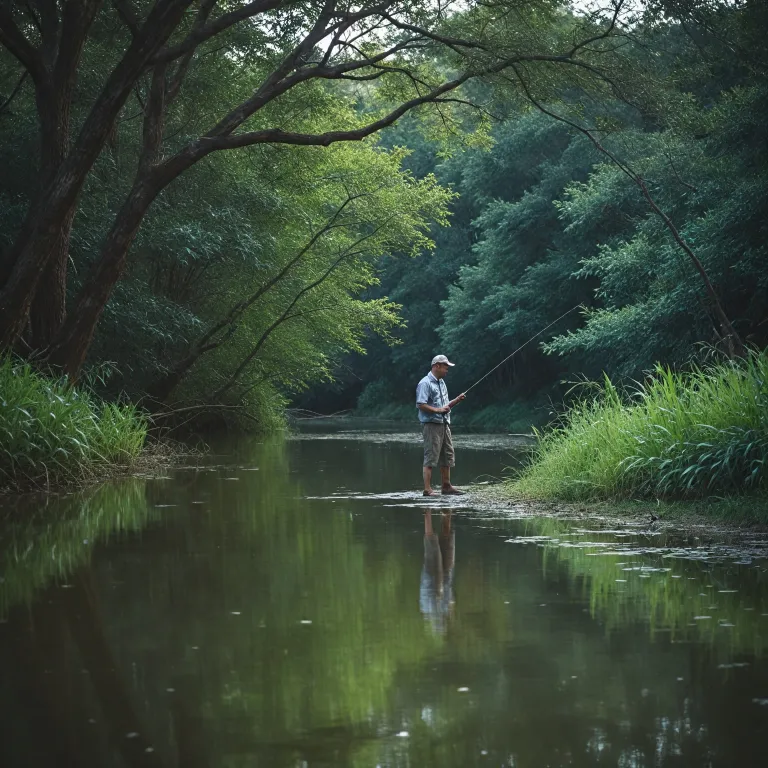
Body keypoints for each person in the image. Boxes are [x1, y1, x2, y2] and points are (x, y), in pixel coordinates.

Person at [415, 354, 466, 496]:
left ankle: (446, 486)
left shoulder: (441, 382)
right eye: (445, 367)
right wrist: (438, 410)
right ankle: (427, 489)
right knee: (430, 457)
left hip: (444, 424)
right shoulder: (425, 383)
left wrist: (456, 400)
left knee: (447, 456)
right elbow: (421, 404)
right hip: (431, 425)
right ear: (437, 366)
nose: (447, 370)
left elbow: (445, 407)